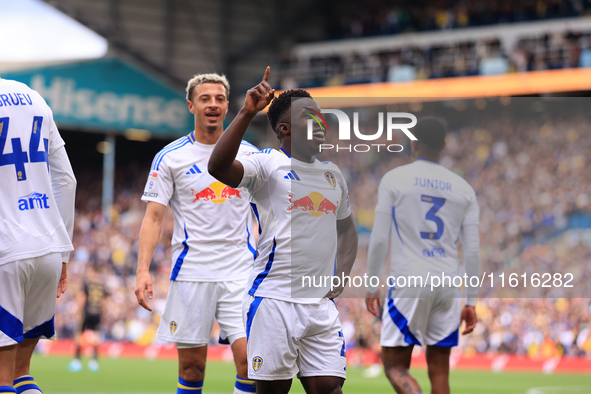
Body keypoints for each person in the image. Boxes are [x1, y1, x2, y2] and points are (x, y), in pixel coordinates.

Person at [208, 67, 359, 394]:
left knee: (330, 389)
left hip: (320, 304)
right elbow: (217, 167)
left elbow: (348, 230)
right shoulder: (267, 165)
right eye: (310, 118)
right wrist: (247, 113)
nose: (320, 121)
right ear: (286, 128)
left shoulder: (333, 174)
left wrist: (342, 274)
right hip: (274, 300)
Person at [134, 73, 258, 394]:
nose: (212, 104)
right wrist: (142, 270)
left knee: (250, 363)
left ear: (228, 106)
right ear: (191, 105)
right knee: (191, 370)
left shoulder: (251, 154)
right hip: (191, 274)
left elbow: (270, 211)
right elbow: (153, 218)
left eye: (219, 99)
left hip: (240, 273)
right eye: (205, 99)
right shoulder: (170, 157)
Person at [365, 117, 480, 394]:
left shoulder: (394, 179)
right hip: (449, 285)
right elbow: (473, 249)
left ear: (413, 142)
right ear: (443, 145)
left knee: (395, 366)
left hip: (410, 280)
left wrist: (371, 284)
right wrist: (472, 301)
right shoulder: (464, 189)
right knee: (440, 370)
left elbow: (380, 237)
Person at [0, 78, 76, 394]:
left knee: (2, 379)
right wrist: (63, 254)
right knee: (21, 374)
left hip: (6, 251)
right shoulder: (33, 97)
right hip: (46, 249)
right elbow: (66, 181)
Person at [68, 265, 108, 373]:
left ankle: (77, 361)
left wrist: (78, 313)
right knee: (95, 336)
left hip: (87, 312)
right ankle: (94, 362)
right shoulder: (101, 285)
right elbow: (104, 303)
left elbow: (82, 298)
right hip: (97, 313)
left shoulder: (87, 284)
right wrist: (102, 315)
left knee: (78, 335)